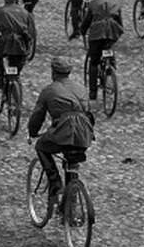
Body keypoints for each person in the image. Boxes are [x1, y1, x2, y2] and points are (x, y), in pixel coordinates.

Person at [27, 57, 95, 205]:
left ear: (53, 72)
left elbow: (37, 116)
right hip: (84, 134)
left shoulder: (49, 90)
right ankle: (69, 206)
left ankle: (55, 182)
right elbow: (89, 113)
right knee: (72, 163)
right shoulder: (81, 88)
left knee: (41, 146)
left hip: (63, 133)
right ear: (69, 72)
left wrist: (32, 132)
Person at [0, 0, 35, 88]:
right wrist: (30, 49)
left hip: (5, 42)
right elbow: (32, 33)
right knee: (17, 66)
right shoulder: (25, 13)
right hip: (21, 44)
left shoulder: (0, 11)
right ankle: (15, 81)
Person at [80, 0, 123, 100]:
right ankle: (111, 70)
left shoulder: (94, 2)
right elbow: (119, 20)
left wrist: (83, 30)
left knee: (93, 61)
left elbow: (87, 19)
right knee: (109, 49)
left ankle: (92, 92)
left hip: (97, 33)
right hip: (111, 32)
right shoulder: (116, 2)